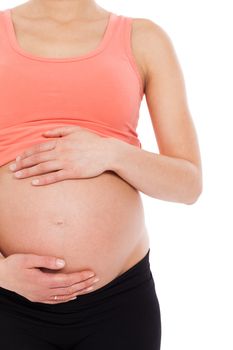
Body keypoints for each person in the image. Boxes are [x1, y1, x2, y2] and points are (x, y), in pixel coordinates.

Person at [0, 0, 202, 349]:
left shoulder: (144, 38)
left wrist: (112, 153)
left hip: (119, 302)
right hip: (8, 299)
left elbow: (188, 184)